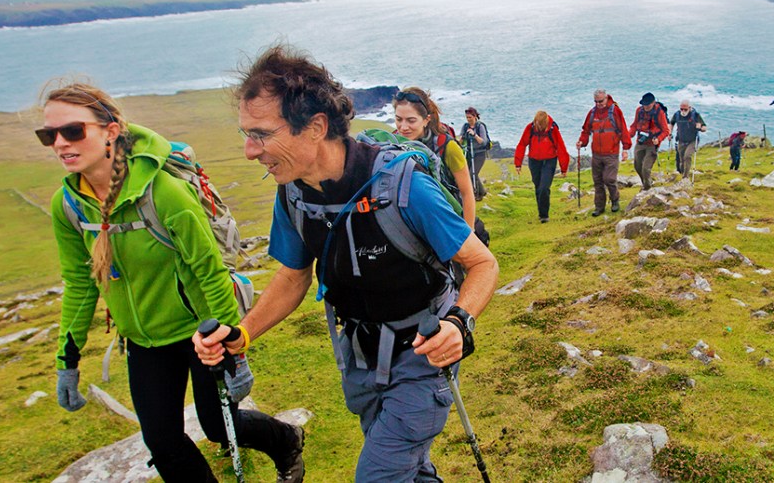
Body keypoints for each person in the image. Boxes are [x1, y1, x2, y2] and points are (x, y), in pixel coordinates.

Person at [193, 45, 498, 482]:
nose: (248, 150)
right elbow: (294, 276)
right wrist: (242, 333)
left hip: (421, 358)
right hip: (358, 360)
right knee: (407, 470)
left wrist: (459, 322)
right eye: (247, 133)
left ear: (316, 126)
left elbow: (482, 263)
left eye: (261, 134)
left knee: (378, 476)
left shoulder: (403, 187)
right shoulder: (294, 193)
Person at [42, 82, 304, 483]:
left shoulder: (164, 192)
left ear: (110, 131)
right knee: (163, 444)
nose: (60, 143)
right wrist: (68, 360)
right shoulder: (69, 206)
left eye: (73, 131)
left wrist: (233, 345)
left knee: (218, 426)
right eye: (50, 135)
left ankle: (285, 439)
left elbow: (210, 269)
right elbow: (80, 283)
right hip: (143, 341)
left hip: (199, 333)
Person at [394, 87, 478, 230]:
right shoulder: (392, 144)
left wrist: (468, 235)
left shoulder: (448, 147)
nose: (403, 127)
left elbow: (467, 193)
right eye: (398, 119)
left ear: (426, 120)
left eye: (411, 120)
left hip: (445, 220)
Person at [577, 88, 631, 216]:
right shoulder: (592, 113)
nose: (598, 104)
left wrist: (625, 149)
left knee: (609, 179)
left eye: (600, 101)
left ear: (606, 98)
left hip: (611, 153)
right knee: (598, 181)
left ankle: (615, 200)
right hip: (596, 154)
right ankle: (599, 207)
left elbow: (623, 130)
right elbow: (586, 131)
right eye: (596, 101)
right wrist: (581, 142)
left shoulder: (615, 111)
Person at [514, 110, 569, 223]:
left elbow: (561, 148)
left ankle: (544, 215)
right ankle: (541, 212)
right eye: (537, 124)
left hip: (549, 161)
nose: (538, 127)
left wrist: (564, 168)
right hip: (534, 161)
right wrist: (518, 163)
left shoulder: (553, 130)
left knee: (544, 187)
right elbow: (522, 144)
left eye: (540, 125)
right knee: (538, 186)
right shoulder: (530, 128)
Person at [628, 92, 670, 190]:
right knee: (637, 166)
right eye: (644, 104)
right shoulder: (639, 111)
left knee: (646, 169)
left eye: (648, 104)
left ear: (653, 103)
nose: (645, 106)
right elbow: (634, 125)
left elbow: (665, 131)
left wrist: (658, 139)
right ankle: (646, 183)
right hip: (640, 142)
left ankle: (647, 188)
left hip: (652, 144)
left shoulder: (659, 113)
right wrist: (629, 135)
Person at [670, 100, 707, 180]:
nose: (683, 111)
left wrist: (700, 127)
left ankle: (685, 177)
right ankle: (683, 173)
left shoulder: (695, 115)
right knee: (681, 160)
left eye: (685, 109)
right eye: (681, 109)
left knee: (687, 156)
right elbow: (671, 123)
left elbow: (704, 128)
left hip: (692, 140)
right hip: (681, 140)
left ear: (689, 108)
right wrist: (670, 133)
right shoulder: (677, 115)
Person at [459, 106, 490, 201]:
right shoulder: (465, 126)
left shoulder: (480, 126)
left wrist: (475, 135)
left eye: (470, 118)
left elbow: (483, 141)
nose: (468, 120)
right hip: (469, 152)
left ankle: (477, 194)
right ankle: (482, 191)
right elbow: (461, 139)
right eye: (467, 118)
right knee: (469, 173)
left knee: (473, 173)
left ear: (475, 116)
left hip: (480, 153)